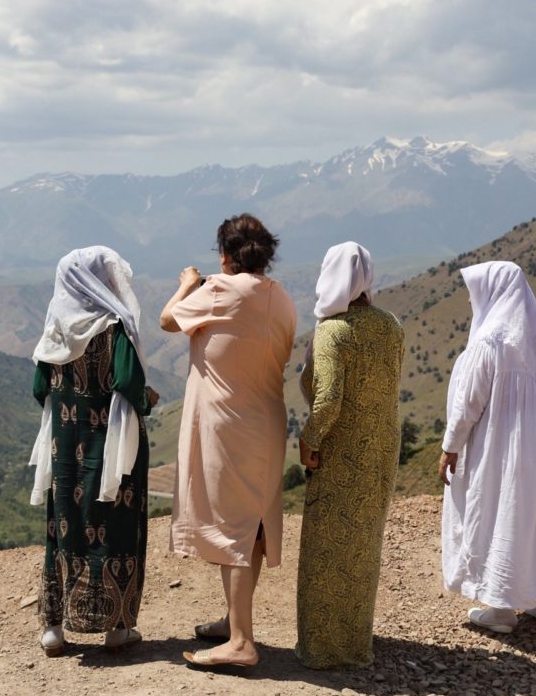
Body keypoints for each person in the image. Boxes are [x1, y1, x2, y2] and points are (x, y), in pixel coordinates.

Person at [159, 213, 297, 670]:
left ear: (225, 255)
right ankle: (234, 622)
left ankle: (241, 642)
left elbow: (167, 321)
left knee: (233, 524)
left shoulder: (216, 289)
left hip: (229, 425)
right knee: (251, 525)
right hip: (268, 422)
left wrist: (187, 283)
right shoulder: (283, 300)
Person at [28, 246, 159, 656]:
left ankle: (54, 627)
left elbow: (39, 388)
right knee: (115, 525)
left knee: (63, 524)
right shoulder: (115, 326)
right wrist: (148, 399)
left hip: (65, 447)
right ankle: (116, 628)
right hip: (112, 446)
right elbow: (126, 381)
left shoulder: (56, 329)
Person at [438, 260, 536, 633]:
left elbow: (468, 404)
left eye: (474, 290)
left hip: (501, 447)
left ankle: (501, 608)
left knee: (500, 511)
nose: (469, 299)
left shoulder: (490, 340)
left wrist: (450, 446)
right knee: (532, 513)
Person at [296, 242, 405, 669]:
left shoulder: (332, 331)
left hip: (340, 454)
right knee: (362, 547)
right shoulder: (391, 325)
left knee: (327, 550)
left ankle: (324, 649)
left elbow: (327, 401)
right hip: (381, 449)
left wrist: (309, 442)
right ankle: (357, 642)